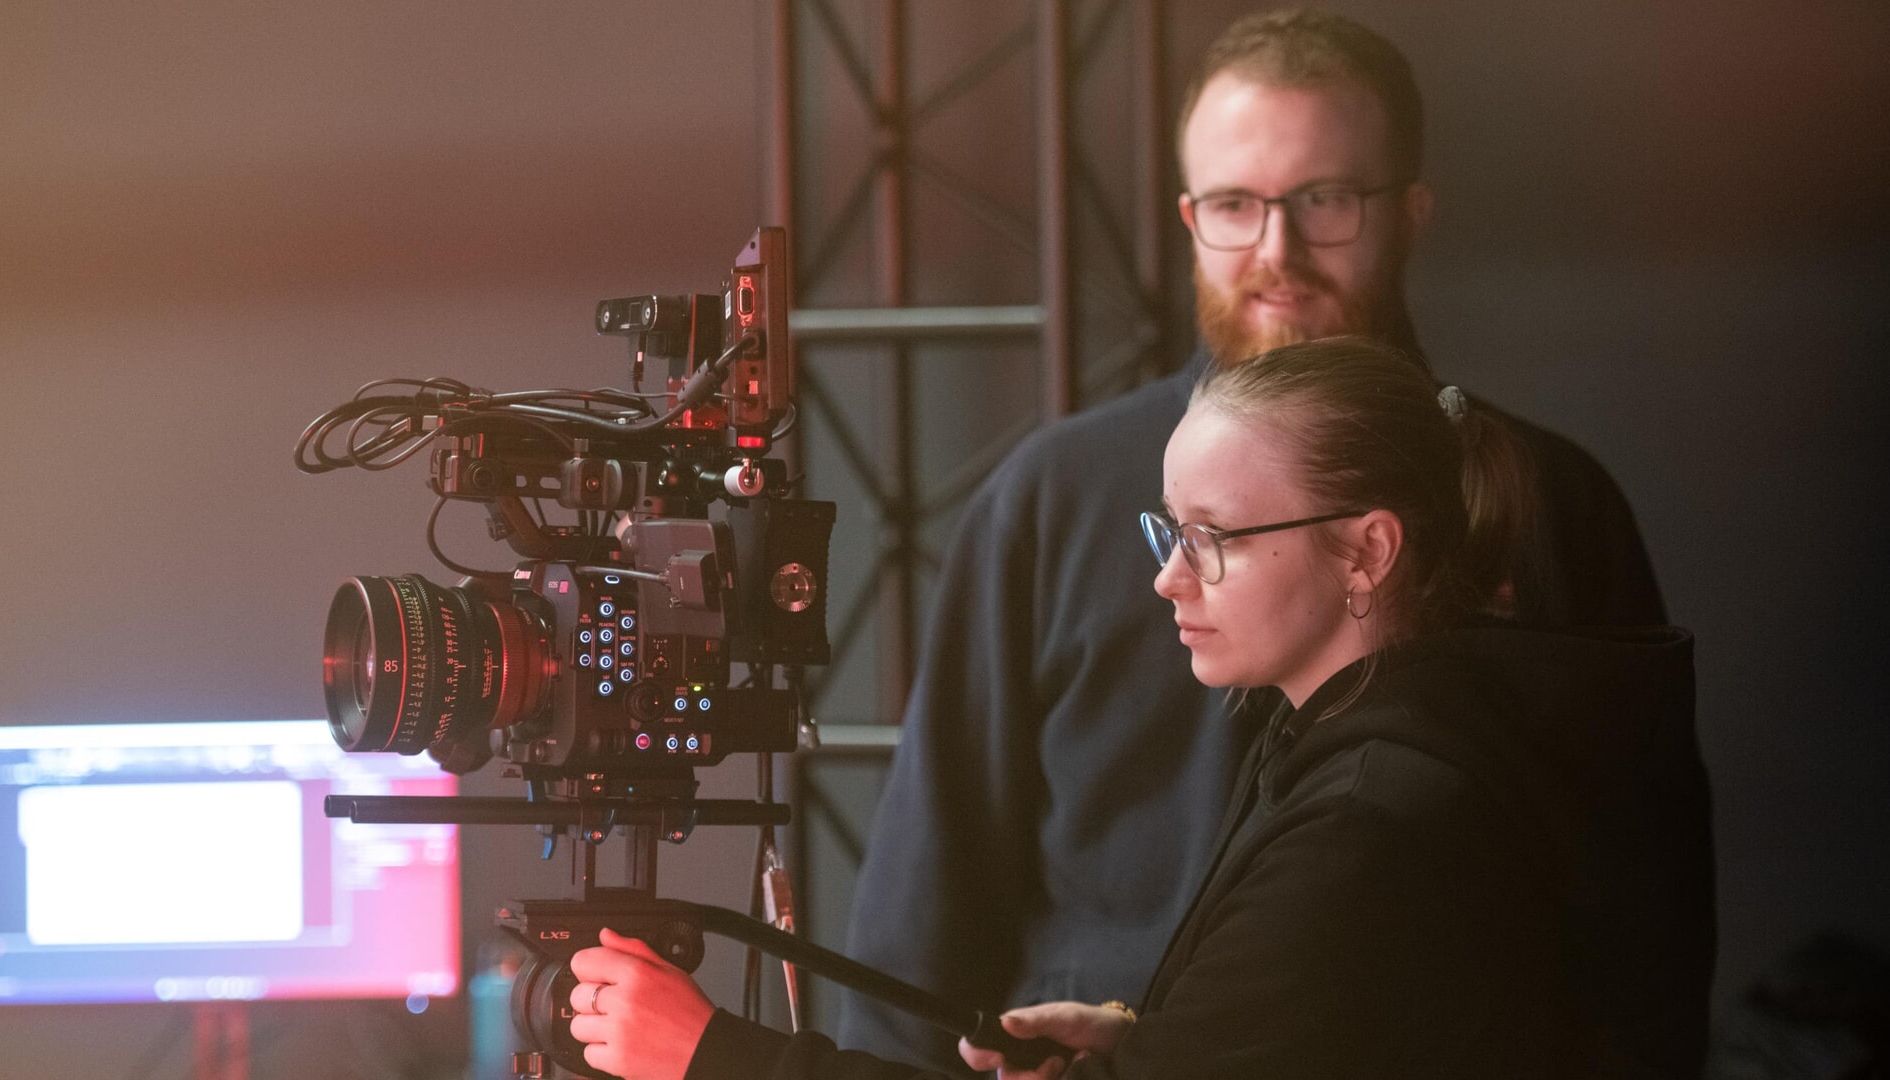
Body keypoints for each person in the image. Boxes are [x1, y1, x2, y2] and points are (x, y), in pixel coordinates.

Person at [835, 9, 1669, 1074]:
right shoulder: (1051, 497)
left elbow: (1639, 909)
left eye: (1325, 200)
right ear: (1189, 218)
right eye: (1234, 204)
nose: (1277, 252)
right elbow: (926, 906)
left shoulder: (1549, 502)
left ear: (1409, 213)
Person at [564, 338, 1715, 1079]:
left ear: (1367, 550)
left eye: (1215, 540)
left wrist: (718, 1057)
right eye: (1169, 533)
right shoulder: (1362, 741)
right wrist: (1154, 1050)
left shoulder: (1382, 819)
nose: (1169, 577)